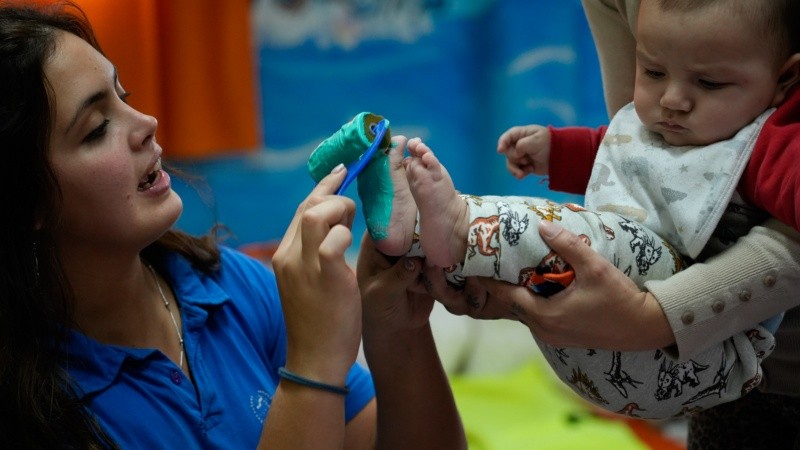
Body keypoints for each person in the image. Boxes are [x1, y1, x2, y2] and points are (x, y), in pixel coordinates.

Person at [0, 2, 466, 449]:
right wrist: (312, 364)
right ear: (27, 203)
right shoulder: (38, 408)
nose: (147, 122)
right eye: (98, 127)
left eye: (126, 97)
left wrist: (394, 326)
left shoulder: (227, 287)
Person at [361, 0, 799, 419]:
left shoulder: (764, 148)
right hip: (592, 359)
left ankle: (455, 223)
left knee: (579, 238)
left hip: (704, 353)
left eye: (709, 83)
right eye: (652, 71)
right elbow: (620, 153)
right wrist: (556, 150)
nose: (672, 99)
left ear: (784, 80)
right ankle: (422, 242)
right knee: (544, 258)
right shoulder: (670, 125)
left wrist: (649, 318)